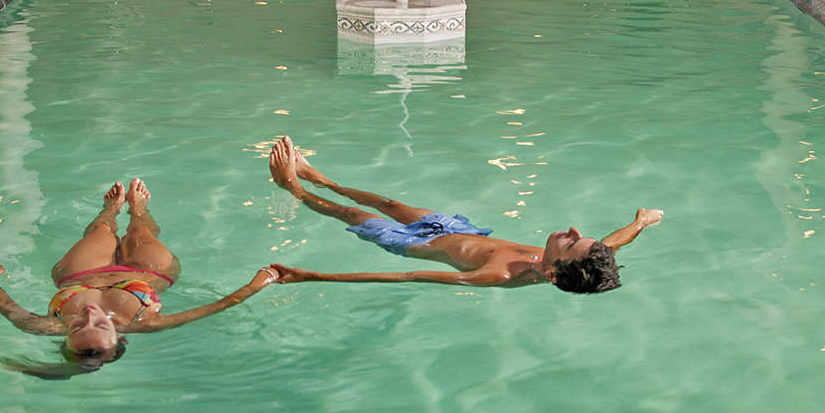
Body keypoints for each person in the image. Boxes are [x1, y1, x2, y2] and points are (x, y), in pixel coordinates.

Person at [266, 136, 663, 293]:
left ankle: (293, 187)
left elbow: (407, 276)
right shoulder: (580, 260)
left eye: (572, 242)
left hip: (413, 243)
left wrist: (312, 275)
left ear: (553, 274)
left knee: (351, 213)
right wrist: (641, 222)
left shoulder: (498, 275)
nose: (573, 230)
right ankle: (320, 178)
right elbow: (614, 242)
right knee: (388, 203)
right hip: (455, 229)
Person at [0, 178, 278, 378]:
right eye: (100, 325)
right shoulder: (147, 323)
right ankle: (138, 209)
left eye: (77, 326)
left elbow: (3, 304)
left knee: (100, 231)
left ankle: (110, 210)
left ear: (66, 338)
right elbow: (217, 306)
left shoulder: (44, 326)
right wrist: (261, 281)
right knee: (140, 232)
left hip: (80, 275)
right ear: (120, 337)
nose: (89, 314)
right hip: (148, 275)